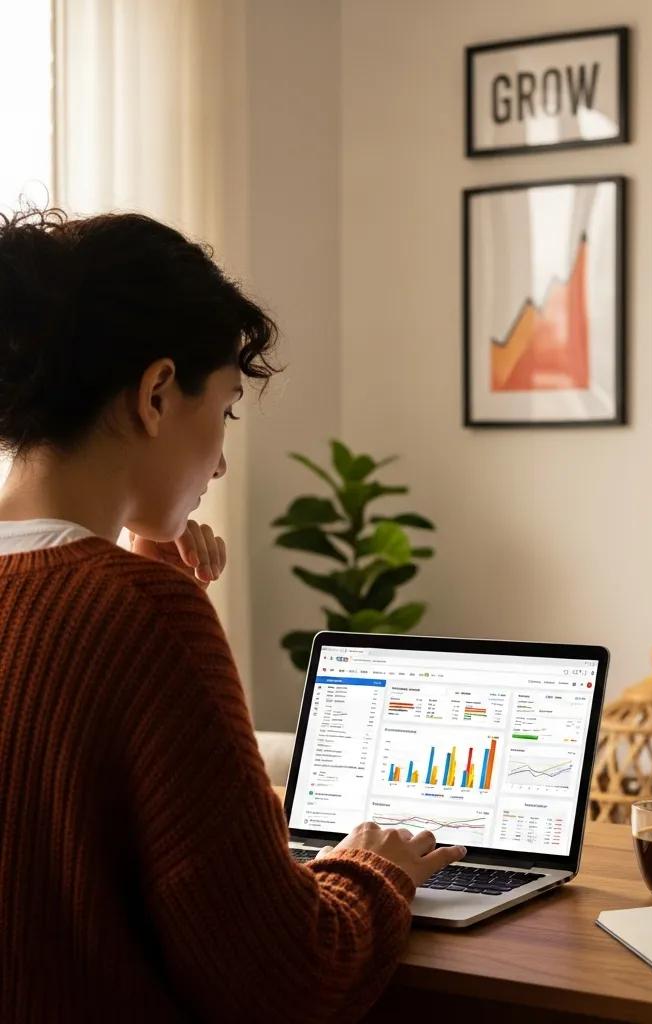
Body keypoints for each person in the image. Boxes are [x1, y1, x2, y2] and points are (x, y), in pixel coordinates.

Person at [0, 208, 464, 1021]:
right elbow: (284, 976)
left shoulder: (127, 598)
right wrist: (372, 869)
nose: (218, 459)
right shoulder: (142, 611)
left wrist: (142, 565)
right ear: (154, 393)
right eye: (224, 410)